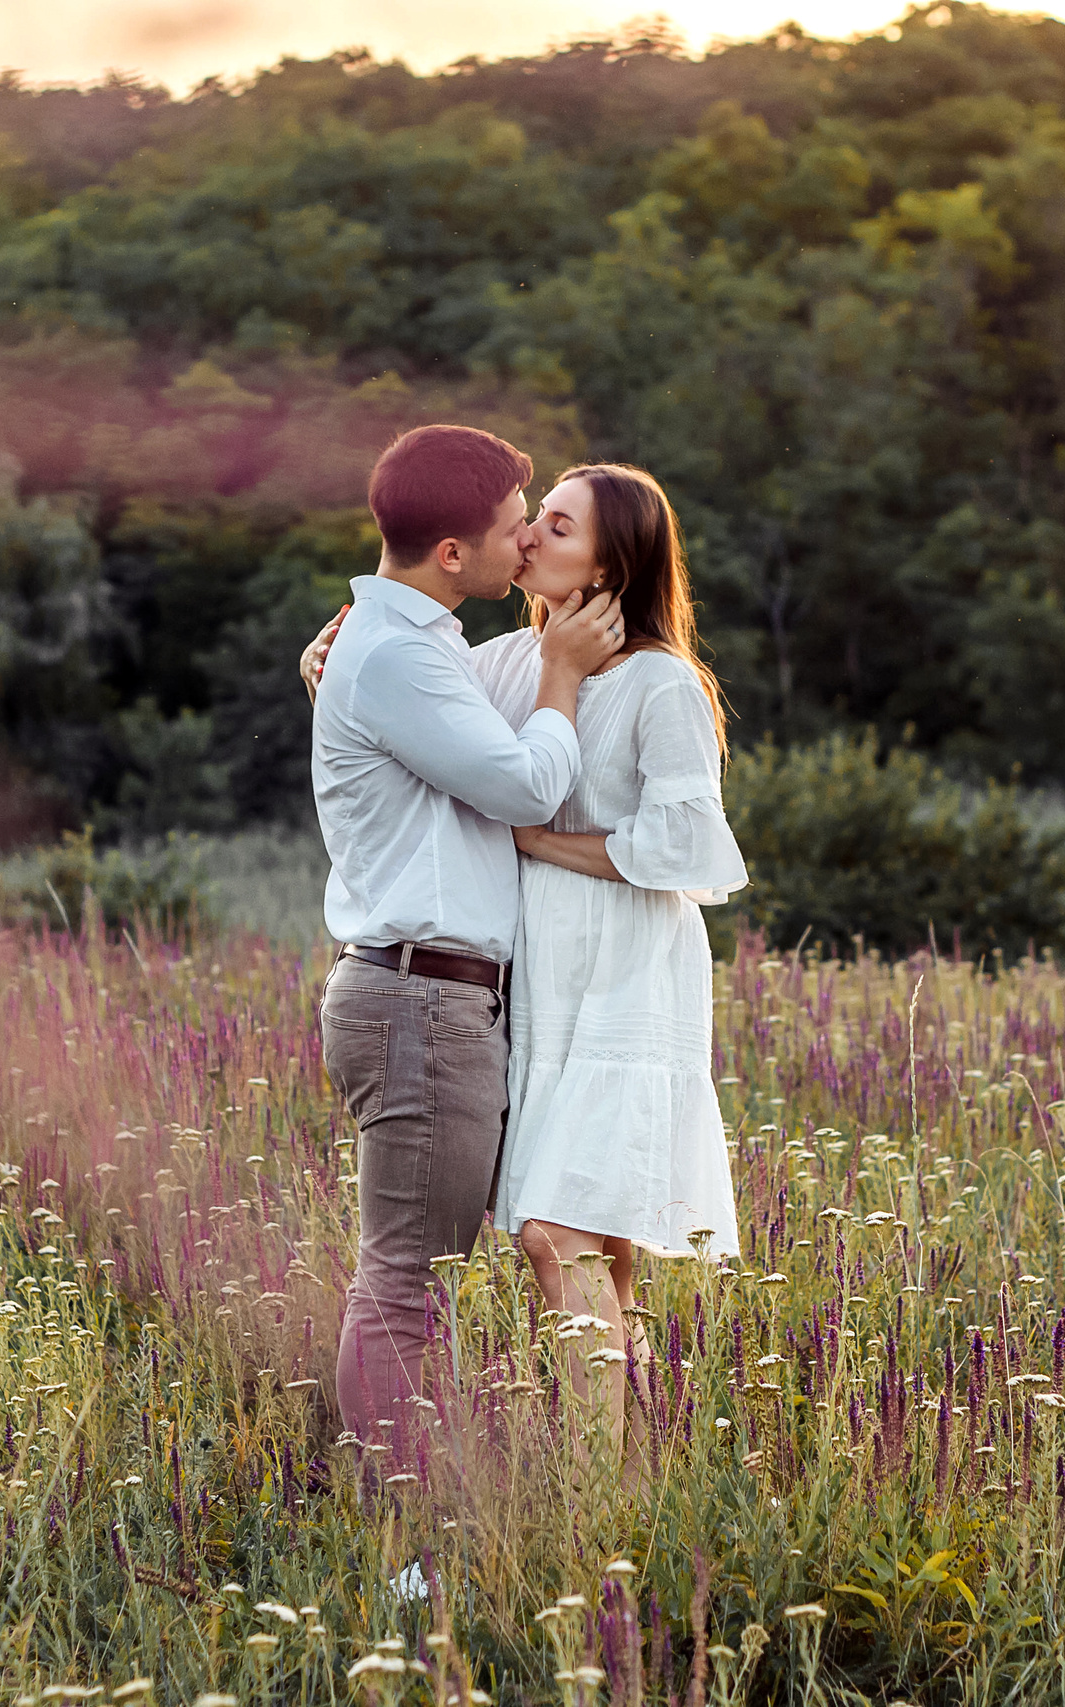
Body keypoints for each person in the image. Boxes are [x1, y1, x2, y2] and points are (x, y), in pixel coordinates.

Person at [305, 462, 745, 1458]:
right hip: (538, 981)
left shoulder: (660, 681)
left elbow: (687, 847)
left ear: (611, 566)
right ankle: (637, 1481)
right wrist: (324, 660)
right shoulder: (505, 661)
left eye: (558, 525)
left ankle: (597, 1492)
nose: (532, 536)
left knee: (555, 1228)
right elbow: (392, 700)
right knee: (595, 1247)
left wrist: (534, 841)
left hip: (626, 969)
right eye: (533, 518)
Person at [310, 424, 624, 1469]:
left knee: (425, 1276)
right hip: (419, 1002)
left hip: (434, 1000)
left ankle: (424, 1494)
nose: (526, 539)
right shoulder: (399, 652)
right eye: (511, 527)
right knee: (406, 1285)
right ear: (452, 553)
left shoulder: (412, 639)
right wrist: (562, 674)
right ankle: (400, 1523)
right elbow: (526, 786)